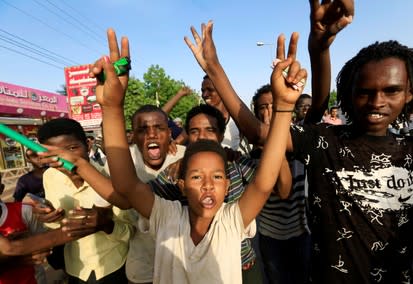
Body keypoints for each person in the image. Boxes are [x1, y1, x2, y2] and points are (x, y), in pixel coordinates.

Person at [40, 26, 306, 283]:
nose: (207, 184)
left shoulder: (232, 220)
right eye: (196, 177)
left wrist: (283, 108)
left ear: (228, 185)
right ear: (180, 182)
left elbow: (265, 181)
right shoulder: (167, 217)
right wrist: (111, 106)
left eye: (216, 176)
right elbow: (127, 186)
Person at [287, 1, 413, 282]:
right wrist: (319, 49)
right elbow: (260, 134)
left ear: (409, 94)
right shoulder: (324, 143)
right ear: (350, 94)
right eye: (365, 92)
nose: (377, 102)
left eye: (392, 90)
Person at [152, 104, 264, 283]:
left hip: (243, 265)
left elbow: (272, 186)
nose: (202, 136)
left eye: (209, 130)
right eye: (194, 131)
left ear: (220, 135)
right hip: (197, 269)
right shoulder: (174, 172)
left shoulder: (237, 163)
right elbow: (140, 197)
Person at [37, 118, 132, 283]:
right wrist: (50, 218)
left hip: (114, 267)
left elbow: (131, 233)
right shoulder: (50, 176)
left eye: (72, 148)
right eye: (55, 154)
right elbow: (55, 227)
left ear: (88, 145)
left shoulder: (110, 180)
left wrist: (106, 224)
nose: (65, 159)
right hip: (75, 268)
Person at [105, 104, 185, 284]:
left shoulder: (187, 158)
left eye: (159, 128)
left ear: (170, 133)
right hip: (142, 265)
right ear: (133, 136)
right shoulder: (120, 164)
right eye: (142, 130)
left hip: (184, 264)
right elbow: (111, 213)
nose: (152, 135)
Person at [250, 84, 311, 283]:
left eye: (273, 105)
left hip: (300, 232)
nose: (268, 111)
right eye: (262, 107)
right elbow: (282, 190)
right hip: (270, 237)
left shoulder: (300, 140)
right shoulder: (253, 156)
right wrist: (271, 142)